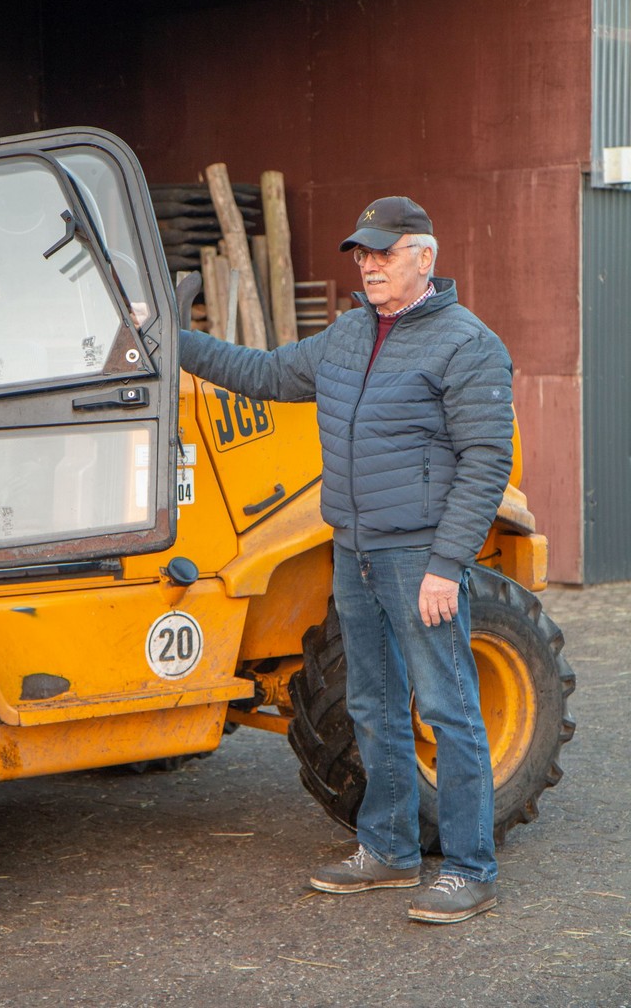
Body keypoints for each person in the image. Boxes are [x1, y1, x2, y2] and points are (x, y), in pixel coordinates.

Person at [178, 196, 514, 924]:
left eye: (383, 253)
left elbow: (487, 462)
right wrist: (175, 343)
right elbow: (265, 374)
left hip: (420, 555)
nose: (369, 265)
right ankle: (389, 850)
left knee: (448, 706)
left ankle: (470, 868)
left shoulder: (467, 344)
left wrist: (447, 564)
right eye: (362, 253)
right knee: (372, 701)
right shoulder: (349, 334)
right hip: (354, 549)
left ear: (424, 257)